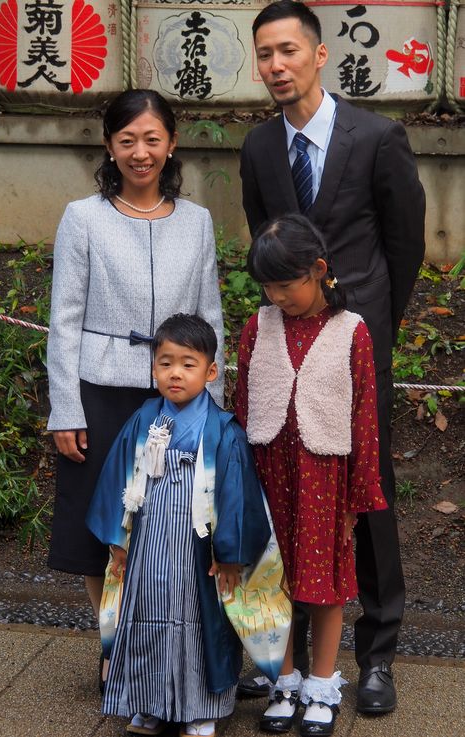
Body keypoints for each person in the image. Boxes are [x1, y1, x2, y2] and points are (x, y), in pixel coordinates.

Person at [238, 0, 426, 714]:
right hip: (288, 344)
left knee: (364, 491)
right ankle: (280, 653)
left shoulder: (378, 137)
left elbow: (405, 242)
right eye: (264, 55)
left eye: (288, 50)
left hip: (356, 340)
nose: (276, 66)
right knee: (282, 488)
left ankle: (377, 652)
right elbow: (268, 240)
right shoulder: (258, 148)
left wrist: (374, 321)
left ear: (319, 55)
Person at [46, 90, 225, 689]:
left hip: (178, 398)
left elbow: (210, 314)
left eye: (152, 140)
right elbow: (64, 318)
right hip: (101, 391)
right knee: (100, 527)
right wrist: (64, 407)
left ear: (171, 144)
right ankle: (113, 645)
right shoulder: (83, 216)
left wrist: (215, 409)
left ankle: (175, 645)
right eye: (128, 140)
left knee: (172, 528)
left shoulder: (196, 221)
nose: (140, 153)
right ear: (109, 145)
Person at [235, 214, 388, 736]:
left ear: (319, 270)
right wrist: (238, 482)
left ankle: (322, 684)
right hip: (268, 474)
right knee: (272, 580)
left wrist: (355, 500)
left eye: (287, 284)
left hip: (325, 477)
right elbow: (243, 403)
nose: (277, 297)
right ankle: (283, 679)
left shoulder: (353, 332)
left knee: (325, 585)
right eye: (268, 287)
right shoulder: (259, 326)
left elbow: (365, 418)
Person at [86, 313, 272, 736]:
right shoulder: (143, 419)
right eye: (165, 362)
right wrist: (118, 535)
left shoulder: (223, 431)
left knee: (195, 624)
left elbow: (236, 497)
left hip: (197, 549)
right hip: (150, 541)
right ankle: (149, 703)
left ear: (210, 372)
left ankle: (200, 709)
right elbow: (117, 474)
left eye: (188, 364)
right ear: (153, 368)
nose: (175, 373)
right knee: (145, 614)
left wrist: (230, 555)